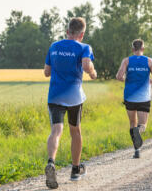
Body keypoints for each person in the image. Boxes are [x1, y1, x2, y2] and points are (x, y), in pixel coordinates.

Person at [43, 17, 97, 189]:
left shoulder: (54, 46)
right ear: (82, 34)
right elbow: (87, 65)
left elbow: (46, 72)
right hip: (74, 96)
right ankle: (75, 170)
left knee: (56, 131)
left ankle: (51, 162)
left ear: (67, 31)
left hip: (55, 95)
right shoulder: (84, 47)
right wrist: (93, 73)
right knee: (75, 131)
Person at [116, 39, 152, 158]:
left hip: (129, 96)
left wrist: (128, 80)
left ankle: (136, 150)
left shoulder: (127, 61)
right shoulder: (149, 61)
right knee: (142, 124)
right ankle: (138, 132)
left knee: (132, 123)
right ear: (143, 49)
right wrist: (148, 81)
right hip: (144, 97)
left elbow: (119, 76)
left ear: (132, 49)